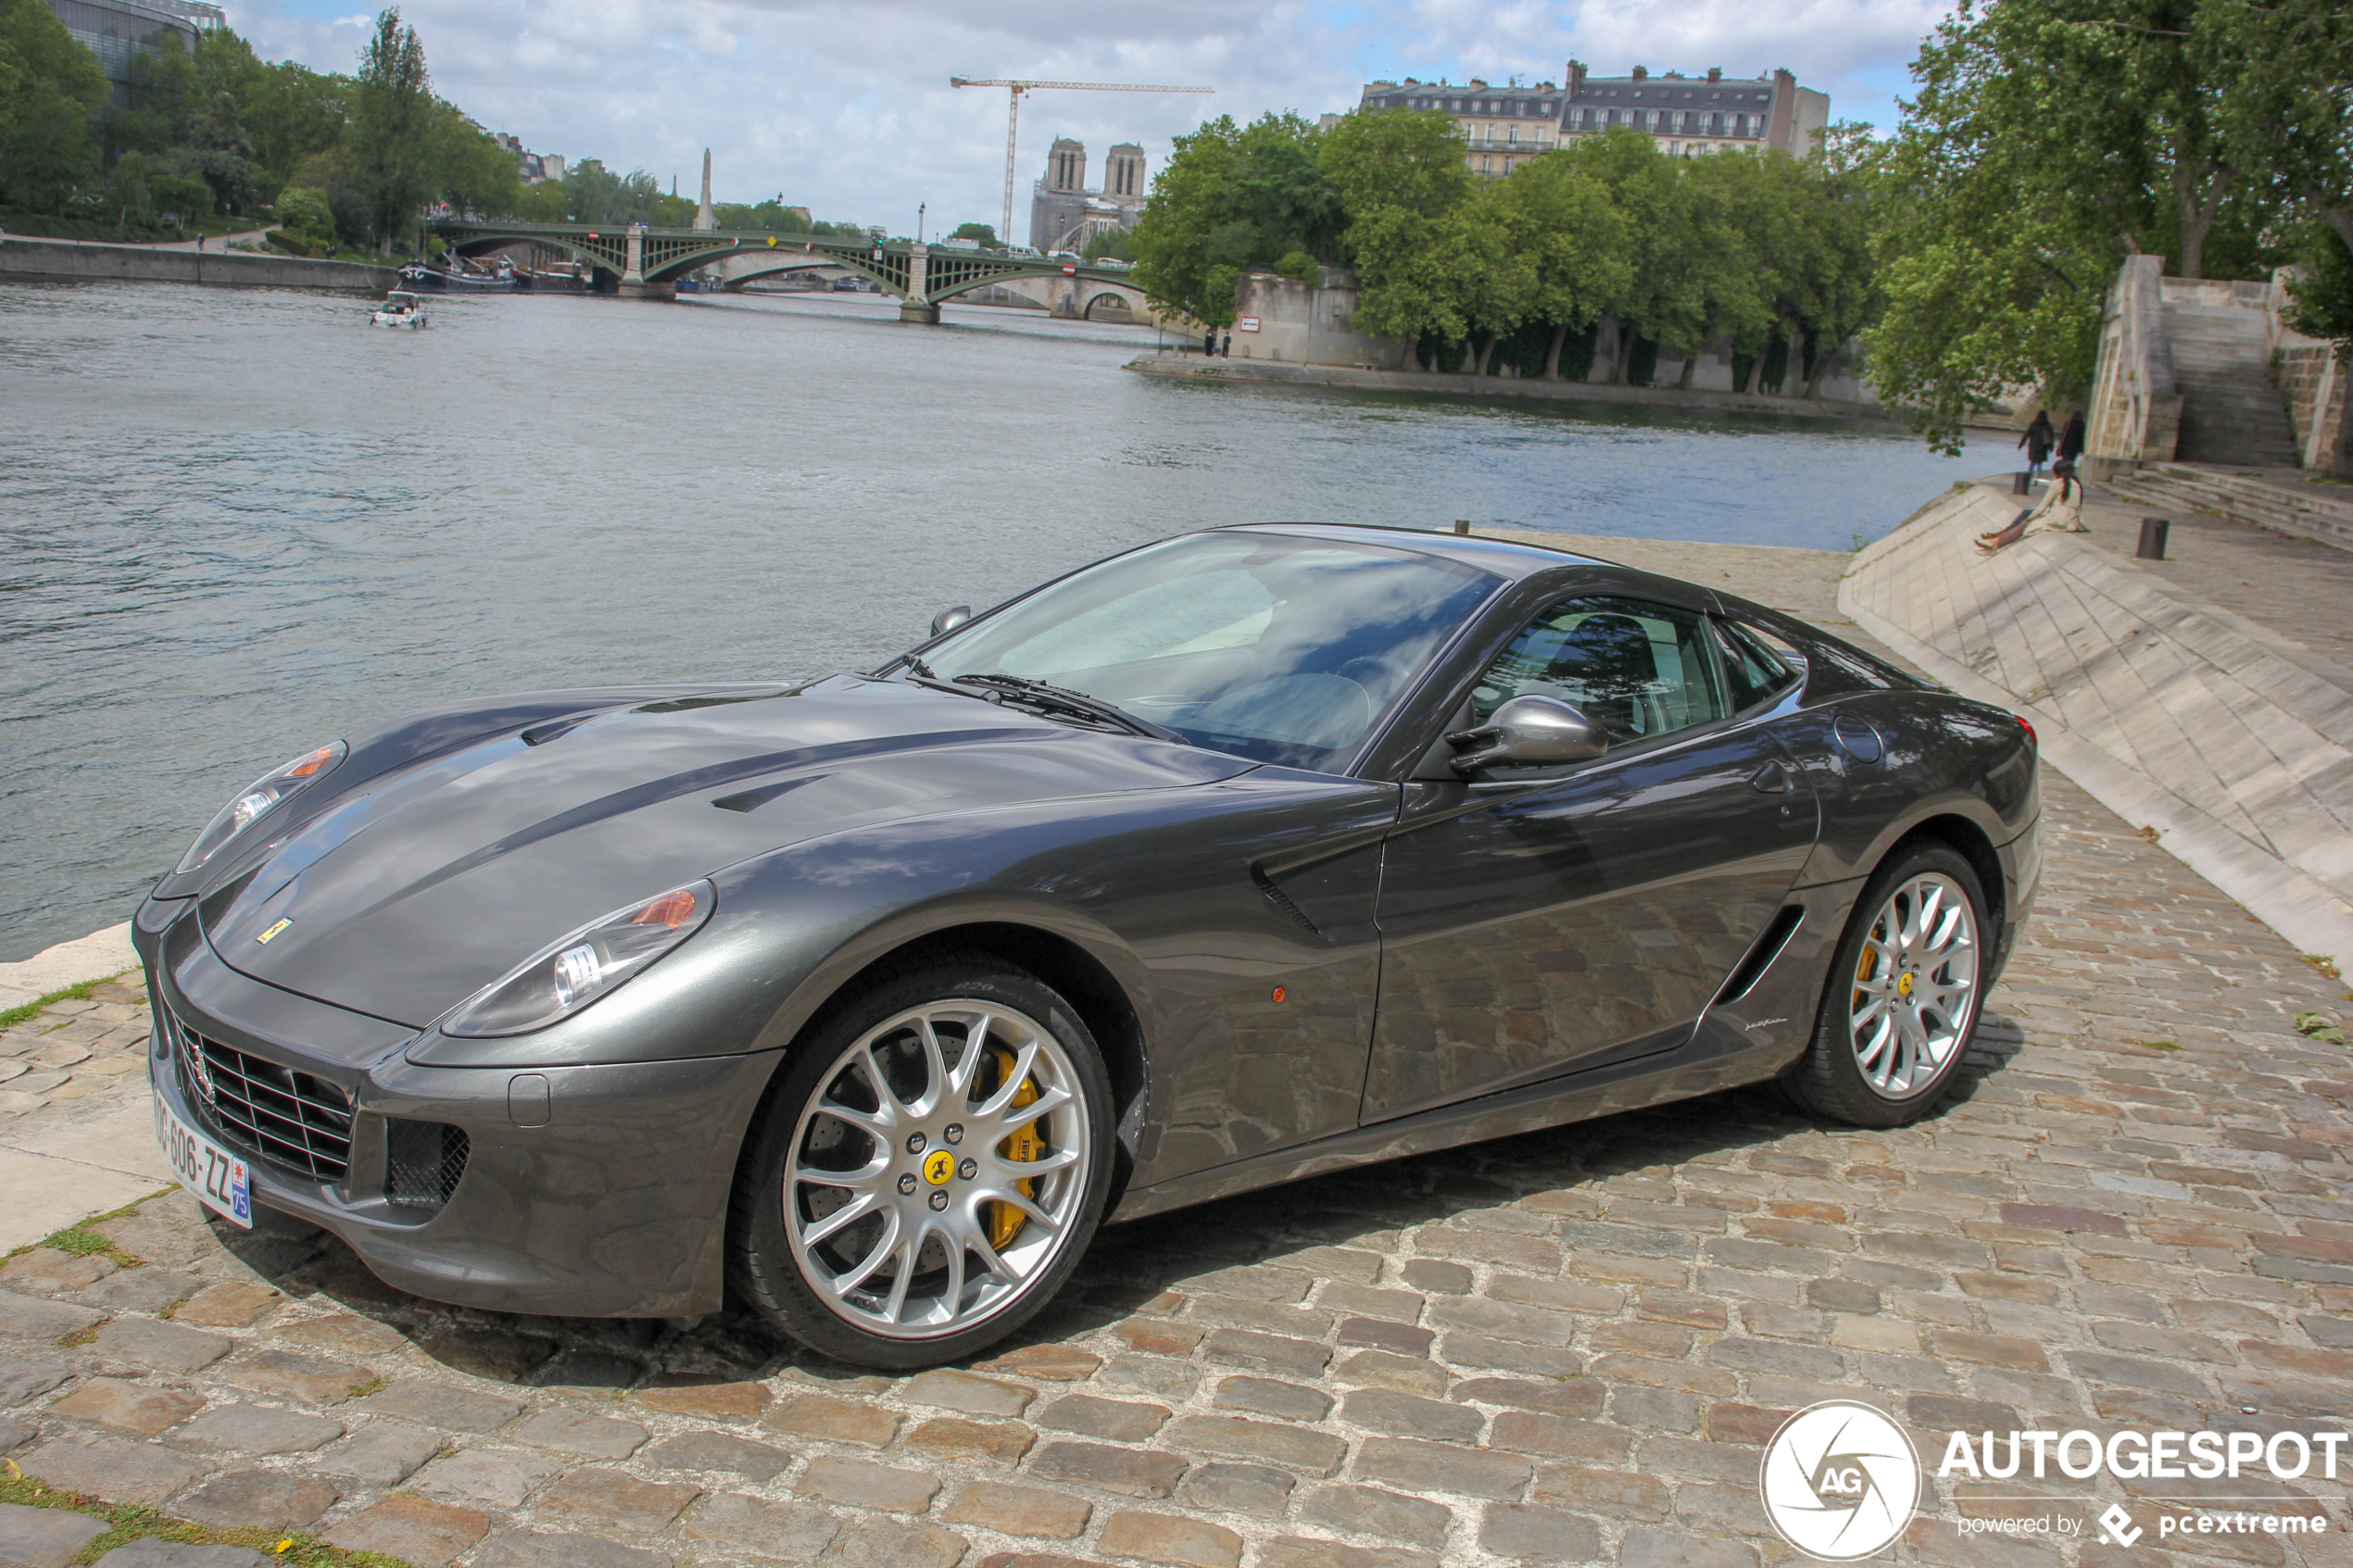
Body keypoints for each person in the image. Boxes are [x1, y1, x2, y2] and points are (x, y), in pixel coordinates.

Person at [1979, 458, 2086, 553]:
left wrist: (2029, 519)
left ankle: (1995, 546)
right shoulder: (2076, 483)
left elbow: (2043, 506)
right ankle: (1996, 541)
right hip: (2073, 520)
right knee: (2028, 516)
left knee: (2025, 525)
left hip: (2060, 520)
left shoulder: (2058, 483)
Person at [2018, 410, 2055, 481]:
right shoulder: (2048, 425)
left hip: (2034, 447)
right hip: (2043, 447)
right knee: (2039, 463)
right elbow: (2051, 437)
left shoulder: (2034, 424)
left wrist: (2020, 445)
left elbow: (2026, 435)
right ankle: (2037, 476)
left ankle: (2028, 476)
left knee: (2032, 463)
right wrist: (2050, 448)